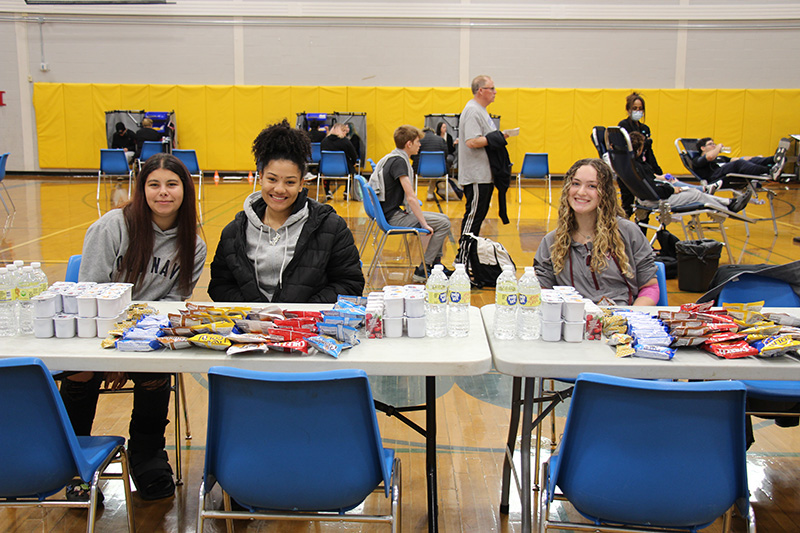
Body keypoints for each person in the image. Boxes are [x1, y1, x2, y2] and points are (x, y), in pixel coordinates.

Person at [61, 152, 206, 502]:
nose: (163, 192)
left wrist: (132, 347)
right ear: (141, 190)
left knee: (154, 367)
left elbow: (174, 302)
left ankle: (147, 455)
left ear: (185, 190)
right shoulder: (113, 226)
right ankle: (74, 461)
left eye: (172, 184)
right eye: (153, 185)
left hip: (146, 335)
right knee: (80, 370)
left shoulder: (194, 245)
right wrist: (113, 351)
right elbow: (90, 291)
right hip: (96, 327)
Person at [209, 119, 364, 302]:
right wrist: (257, 314)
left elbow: (350, 283)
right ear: (260, 178)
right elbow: (220, 285)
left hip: (307, 327)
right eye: (272, 179)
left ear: (301, 184)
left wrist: (299, 315)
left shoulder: (331, 227)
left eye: (290, 182)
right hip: (252, 328)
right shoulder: (234, 232)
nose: (280, 189)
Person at [534, 158, 660, 305]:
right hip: (573, 322)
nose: (581, 192)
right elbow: (542, 291)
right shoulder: (551, 242)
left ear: (605, 192)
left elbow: (650, 287)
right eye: (576, 184)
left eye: (592, 186)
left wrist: (630, 317)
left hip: (621, 320)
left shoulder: (628, 232)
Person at [372, 125, 452, 282]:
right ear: (409, 144)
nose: (420, 145)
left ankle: (436, 266)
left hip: (389, 214)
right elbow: (411, 197)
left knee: (444, 219)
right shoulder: (399, 162)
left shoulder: (393, 157)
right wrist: (423, 224)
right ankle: (424, 269)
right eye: (417, 142)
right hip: (393, 217)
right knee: (443, 224)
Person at [629, 132, 752, 213]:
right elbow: (652, 188)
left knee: (689, 189)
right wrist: (671, 189)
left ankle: (729, 203)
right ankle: (728, 209)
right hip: (655, 199)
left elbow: (650, 181)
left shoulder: (632, 164)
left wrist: (666, 182)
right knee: (696, 195)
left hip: (652, 196)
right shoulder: (638, 166)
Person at [456, 75, 506, 262]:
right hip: (476, 175)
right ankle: (461, 258)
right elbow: (471, 141)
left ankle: (468, 257)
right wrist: (499, 138)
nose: (495, 92)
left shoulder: (481, 111)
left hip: (485, 175)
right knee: (473, 217)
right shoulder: (472, 111)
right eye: (492, 88)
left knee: (478, 217)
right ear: (481, 90)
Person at [617, 92, 662, 218]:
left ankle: (641, 234)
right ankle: (619, 231)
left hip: (643, 170)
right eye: (635, 108)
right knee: (627, 205)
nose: (638, 111)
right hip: (629, 171)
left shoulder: (645, 128)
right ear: (628, 109)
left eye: (640, 108)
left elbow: (649, 153)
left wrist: (657, 170)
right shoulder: (623, 126)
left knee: (645, 207)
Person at [694, 137, 782, 190]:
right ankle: (770, 171)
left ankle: (774, 159)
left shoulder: (721, 158)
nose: (714, 145)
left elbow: (740, 159)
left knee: (749, 161)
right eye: (710, 144)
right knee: (738, 163)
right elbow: (709, 157)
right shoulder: (697, 159)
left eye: (714, 144)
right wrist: (718, 147)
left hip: (729, 173)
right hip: (716, 178)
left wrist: (756, 158)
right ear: (703, 148)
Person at [319, 122, 359, 200]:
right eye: (344, 131)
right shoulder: (345, 141)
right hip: (343, 169)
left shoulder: (324, 141)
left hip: (326, 169)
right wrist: (353, 162)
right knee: (351, 168)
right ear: (341, 131)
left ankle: (327, 192)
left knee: (325, 173)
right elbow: (354, 155)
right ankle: (346, 191)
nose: (345, 133)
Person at [412, 126, 449, 201]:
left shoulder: (419, 140)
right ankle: (430, 194)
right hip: (438, 169)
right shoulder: (440, 140)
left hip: (421, 169)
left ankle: (411, 194)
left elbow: (413, 155)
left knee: (413, 173)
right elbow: (446, 154)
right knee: (434, 171)